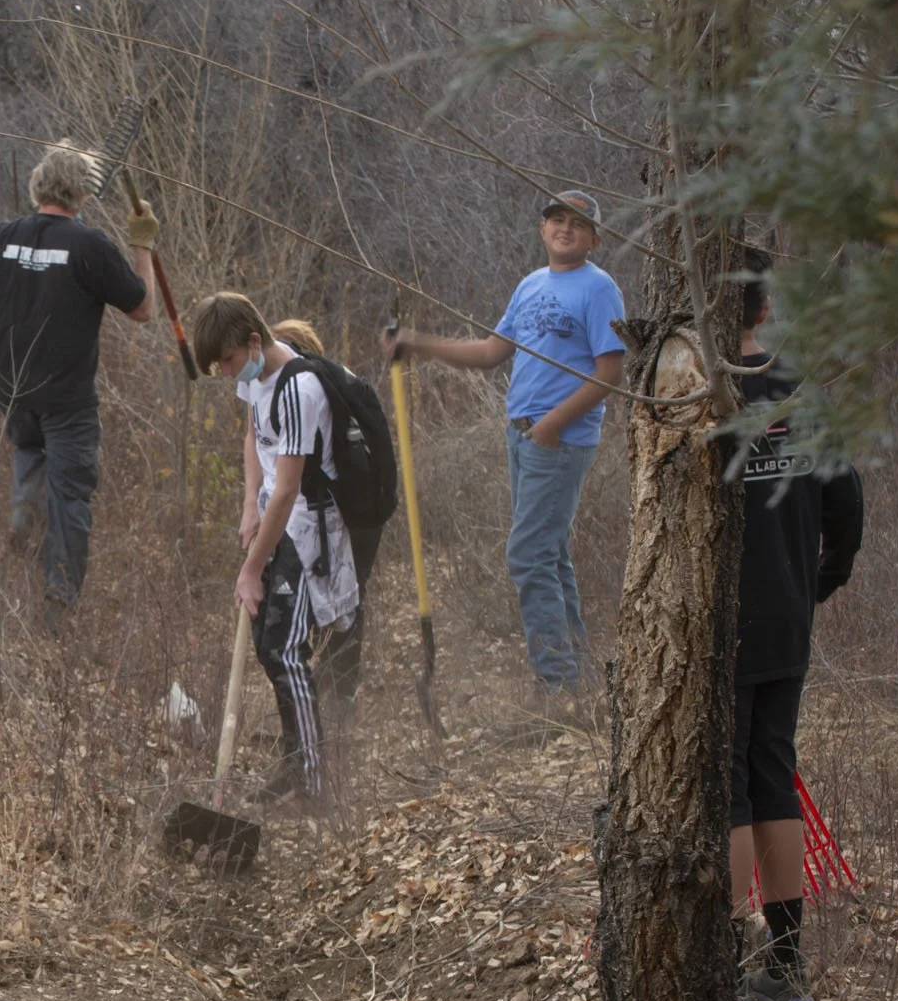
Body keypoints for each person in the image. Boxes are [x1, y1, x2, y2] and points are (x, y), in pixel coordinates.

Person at [382, 190, 626, 693]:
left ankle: (557, 683)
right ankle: (575, 678)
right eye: (556, 220)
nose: (564, 229)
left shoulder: (599, 289)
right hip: (521, 438)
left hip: (558, 440)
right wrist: (418, 344)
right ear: (542, 230)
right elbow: (492, 351)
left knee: (528, 554)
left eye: (577, 224)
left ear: (595, 238)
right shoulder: (531, 285)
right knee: (549, 554)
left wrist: (554, 424)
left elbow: (610, 372)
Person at [726, 247, 862, 1001]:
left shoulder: (695, 390)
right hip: (787, 610)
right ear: (764, 308)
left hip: (725, 619)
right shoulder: (799, 392)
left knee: (728, 781)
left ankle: (720, 969)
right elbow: (848, 504)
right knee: (772, 770)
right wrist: (819, 581)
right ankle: (782, 967)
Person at [0, 142, 157, 613]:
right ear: (81, 195)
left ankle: (18, 577)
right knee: (69, 501)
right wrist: (142, 244)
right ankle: (57, 607)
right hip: (67, 404)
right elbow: (143, 307)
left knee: (29, 476)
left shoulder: (3, 237)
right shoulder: (90, 246)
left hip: (13, 397)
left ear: (38, 185)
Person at [193, 293, 360, 805]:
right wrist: (248, 502)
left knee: (284, 650)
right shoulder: (258, 378)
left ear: (252, 341)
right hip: (274, 519)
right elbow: (253, 438)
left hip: (308, 531)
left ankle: (313, 781)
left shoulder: (299, 389)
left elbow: (288, 490)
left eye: (227, 361)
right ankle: (295, 759)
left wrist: (252, 567)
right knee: (272, 646)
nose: (224, 373)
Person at [268, 318, 383, 720]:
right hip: (360, 504)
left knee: (340, 596)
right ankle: (335, 696)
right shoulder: (337, 380)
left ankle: (336, 700)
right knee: (345, 594)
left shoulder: (306, 389)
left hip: (345, 507)